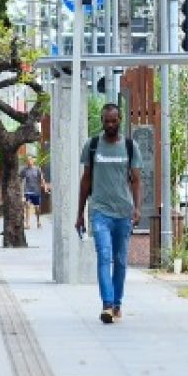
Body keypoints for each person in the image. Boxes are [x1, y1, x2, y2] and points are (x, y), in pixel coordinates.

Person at [76, 103, 142, 324]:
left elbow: (136, 181)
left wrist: (137, 208)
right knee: (104, 256)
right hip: (100, 211)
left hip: (123, 212)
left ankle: (117, 304)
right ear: (102, 121)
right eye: (107, 121)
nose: (110, 124)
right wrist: (80, 213)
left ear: (119, 120)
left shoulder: (130, 147)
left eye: (114, 120)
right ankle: (107, 304)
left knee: (120, 260)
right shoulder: (93, 146)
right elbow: (86, 181)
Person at [20, 155, 50, 228]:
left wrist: (45, 187)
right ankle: (27, 224)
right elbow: (20, 179)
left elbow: (42, 179)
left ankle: (38, 221)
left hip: (36, 191)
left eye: (30, 160)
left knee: (37, 208)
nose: (29, 161)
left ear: (33, 161)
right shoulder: (24, 170)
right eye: (28, 160)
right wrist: (19, 190)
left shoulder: (37, 169)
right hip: (27, 190)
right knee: (27, 205)